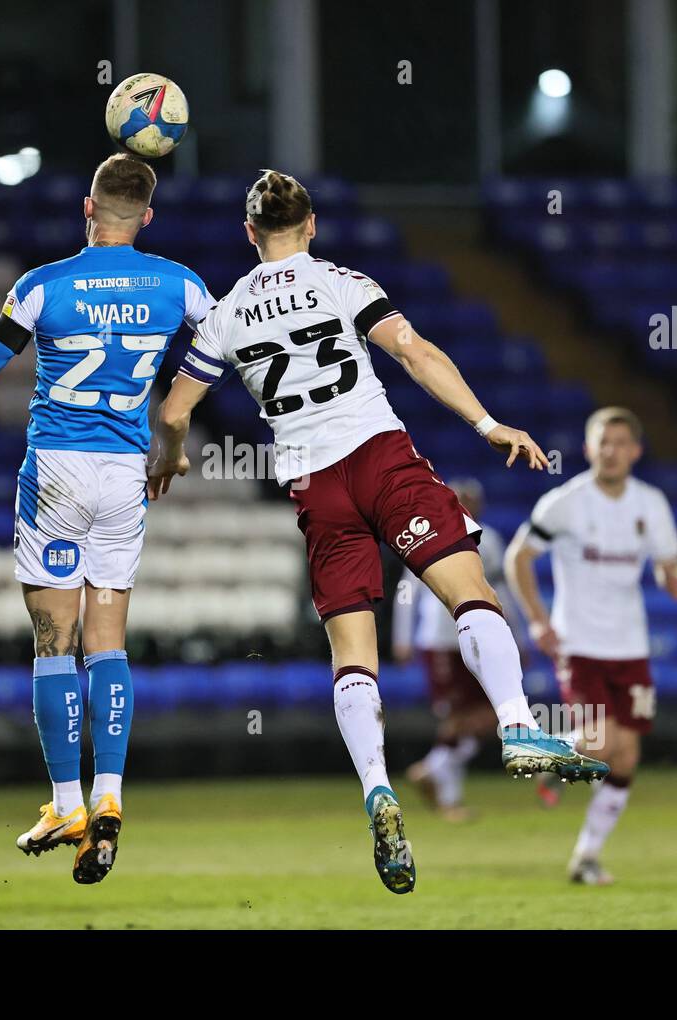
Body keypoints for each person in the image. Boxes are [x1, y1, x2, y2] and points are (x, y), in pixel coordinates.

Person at [147, 169, 608, 895]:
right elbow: (415, 352)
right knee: (468, 590)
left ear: (249, 234)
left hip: (315, 486)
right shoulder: (340, 280)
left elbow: (174, 412)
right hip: (380, 457)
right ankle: (517, 722)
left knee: (352, 653)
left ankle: (376, 789)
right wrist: (488, 425)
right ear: (312, 225)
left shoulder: (227, 312)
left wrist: (171, 455)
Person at [0, 153, 215, 885]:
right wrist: (174, 437)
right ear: (149, 218)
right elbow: (223, 350)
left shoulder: (42, 287)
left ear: (86, 208)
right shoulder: (180, 284)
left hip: (58, 474)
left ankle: (69, 801)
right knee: (108, 643)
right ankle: (111, 799)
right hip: (125, 478)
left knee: (52, 643)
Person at [505, 406, 677, 885]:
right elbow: (518, 558)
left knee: (625, 757)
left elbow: (672, 563)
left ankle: (586, 855)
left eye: (621, 442)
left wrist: (674, 577)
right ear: (588, 448)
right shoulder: (566, 502)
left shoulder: (651, 504)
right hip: (579, 642)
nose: (611, 451)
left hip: (631, 646)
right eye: (603, 442)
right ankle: (548, 753)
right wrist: (539, 622)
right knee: (603, 744)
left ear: (636, 451)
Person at [393, 479, 525, 820]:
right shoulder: (424, 532)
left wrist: (517, 636)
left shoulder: (489, 540)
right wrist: (403, 636)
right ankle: (445, 792)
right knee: (457, 718)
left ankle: (435, 773)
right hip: (440, 639)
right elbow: (407, 591)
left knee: (480, 717)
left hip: (480, 638)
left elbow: (502, 592)